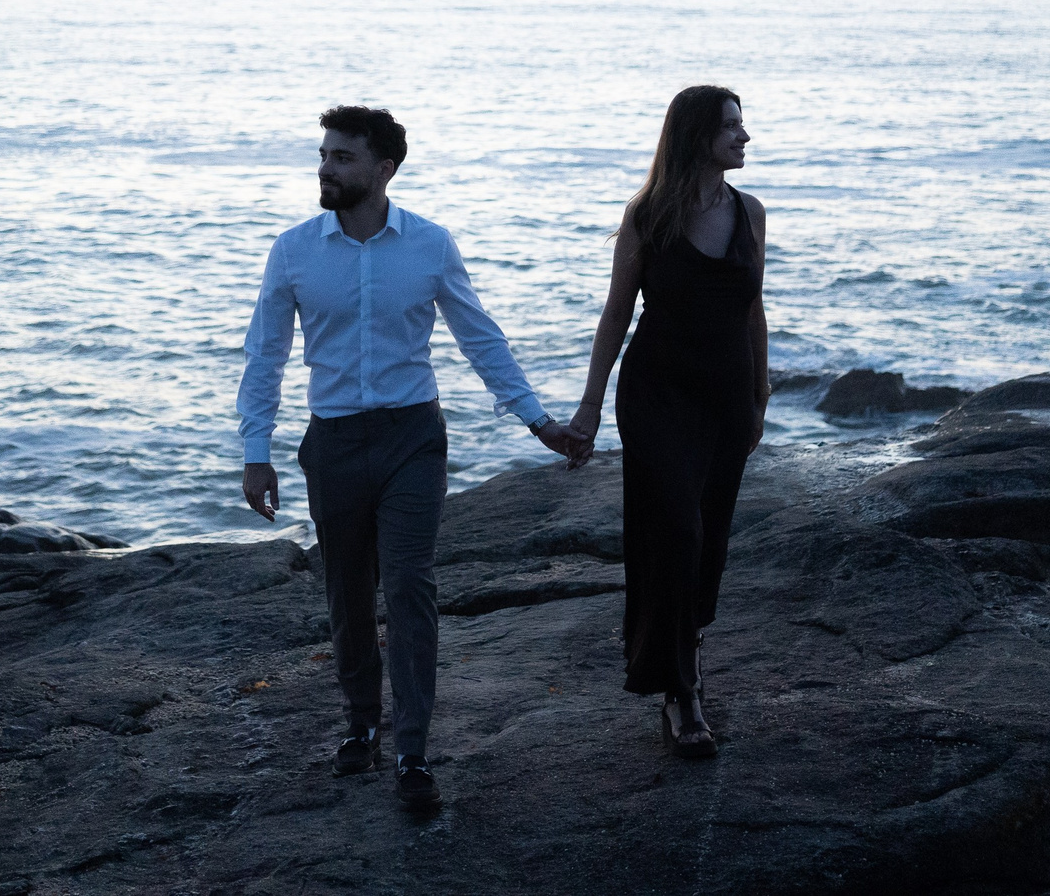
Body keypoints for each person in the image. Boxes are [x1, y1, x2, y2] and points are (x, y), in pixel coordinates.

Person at [237, 105, 582, 811]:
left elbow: (479, 338)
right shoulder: (294, 249)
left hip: (412, 439)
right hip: (332, 440)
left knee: (410, 585)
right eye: (325, 154)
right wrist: (255, 451)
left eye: (342, 157)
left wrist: (537, 420)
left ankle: (413, 747)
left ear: (383, 168)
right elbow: (265, 354)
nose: (326, 167)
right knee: (347, 593)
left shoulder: (429, 245)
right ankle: (362, 722)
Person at [562, 85, 768, 758]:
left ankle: (687, 644)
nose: (744, 137)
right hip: (656, 393)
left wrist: (760, 395)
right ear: (695, 136)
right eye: (731, 127)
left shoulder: (751, 212)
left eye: (743, 125)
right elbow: (616, 315)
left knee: (707, 537)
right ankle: (683, 691)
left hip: (727, 397)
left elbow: (753, 310)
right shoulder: (649, 215)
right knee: (677, 526)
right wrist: (589, 408)